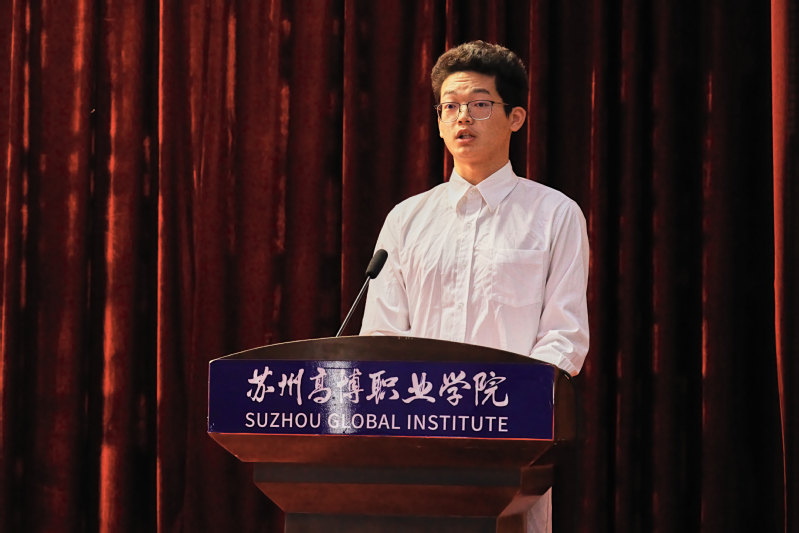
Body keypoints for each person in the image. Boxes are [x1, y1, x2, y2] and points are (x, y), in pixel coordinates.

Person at [360, 40, 589, 533]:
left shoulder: (555, 215)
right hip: (417, 444)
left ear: (516, 117)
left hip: (509, 446)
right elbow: (380, 338)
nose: (462, 117)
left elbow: (564, 337)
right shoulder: (406, 220)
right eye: (450, 106)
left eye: (480, 104)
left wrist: (502, 406)